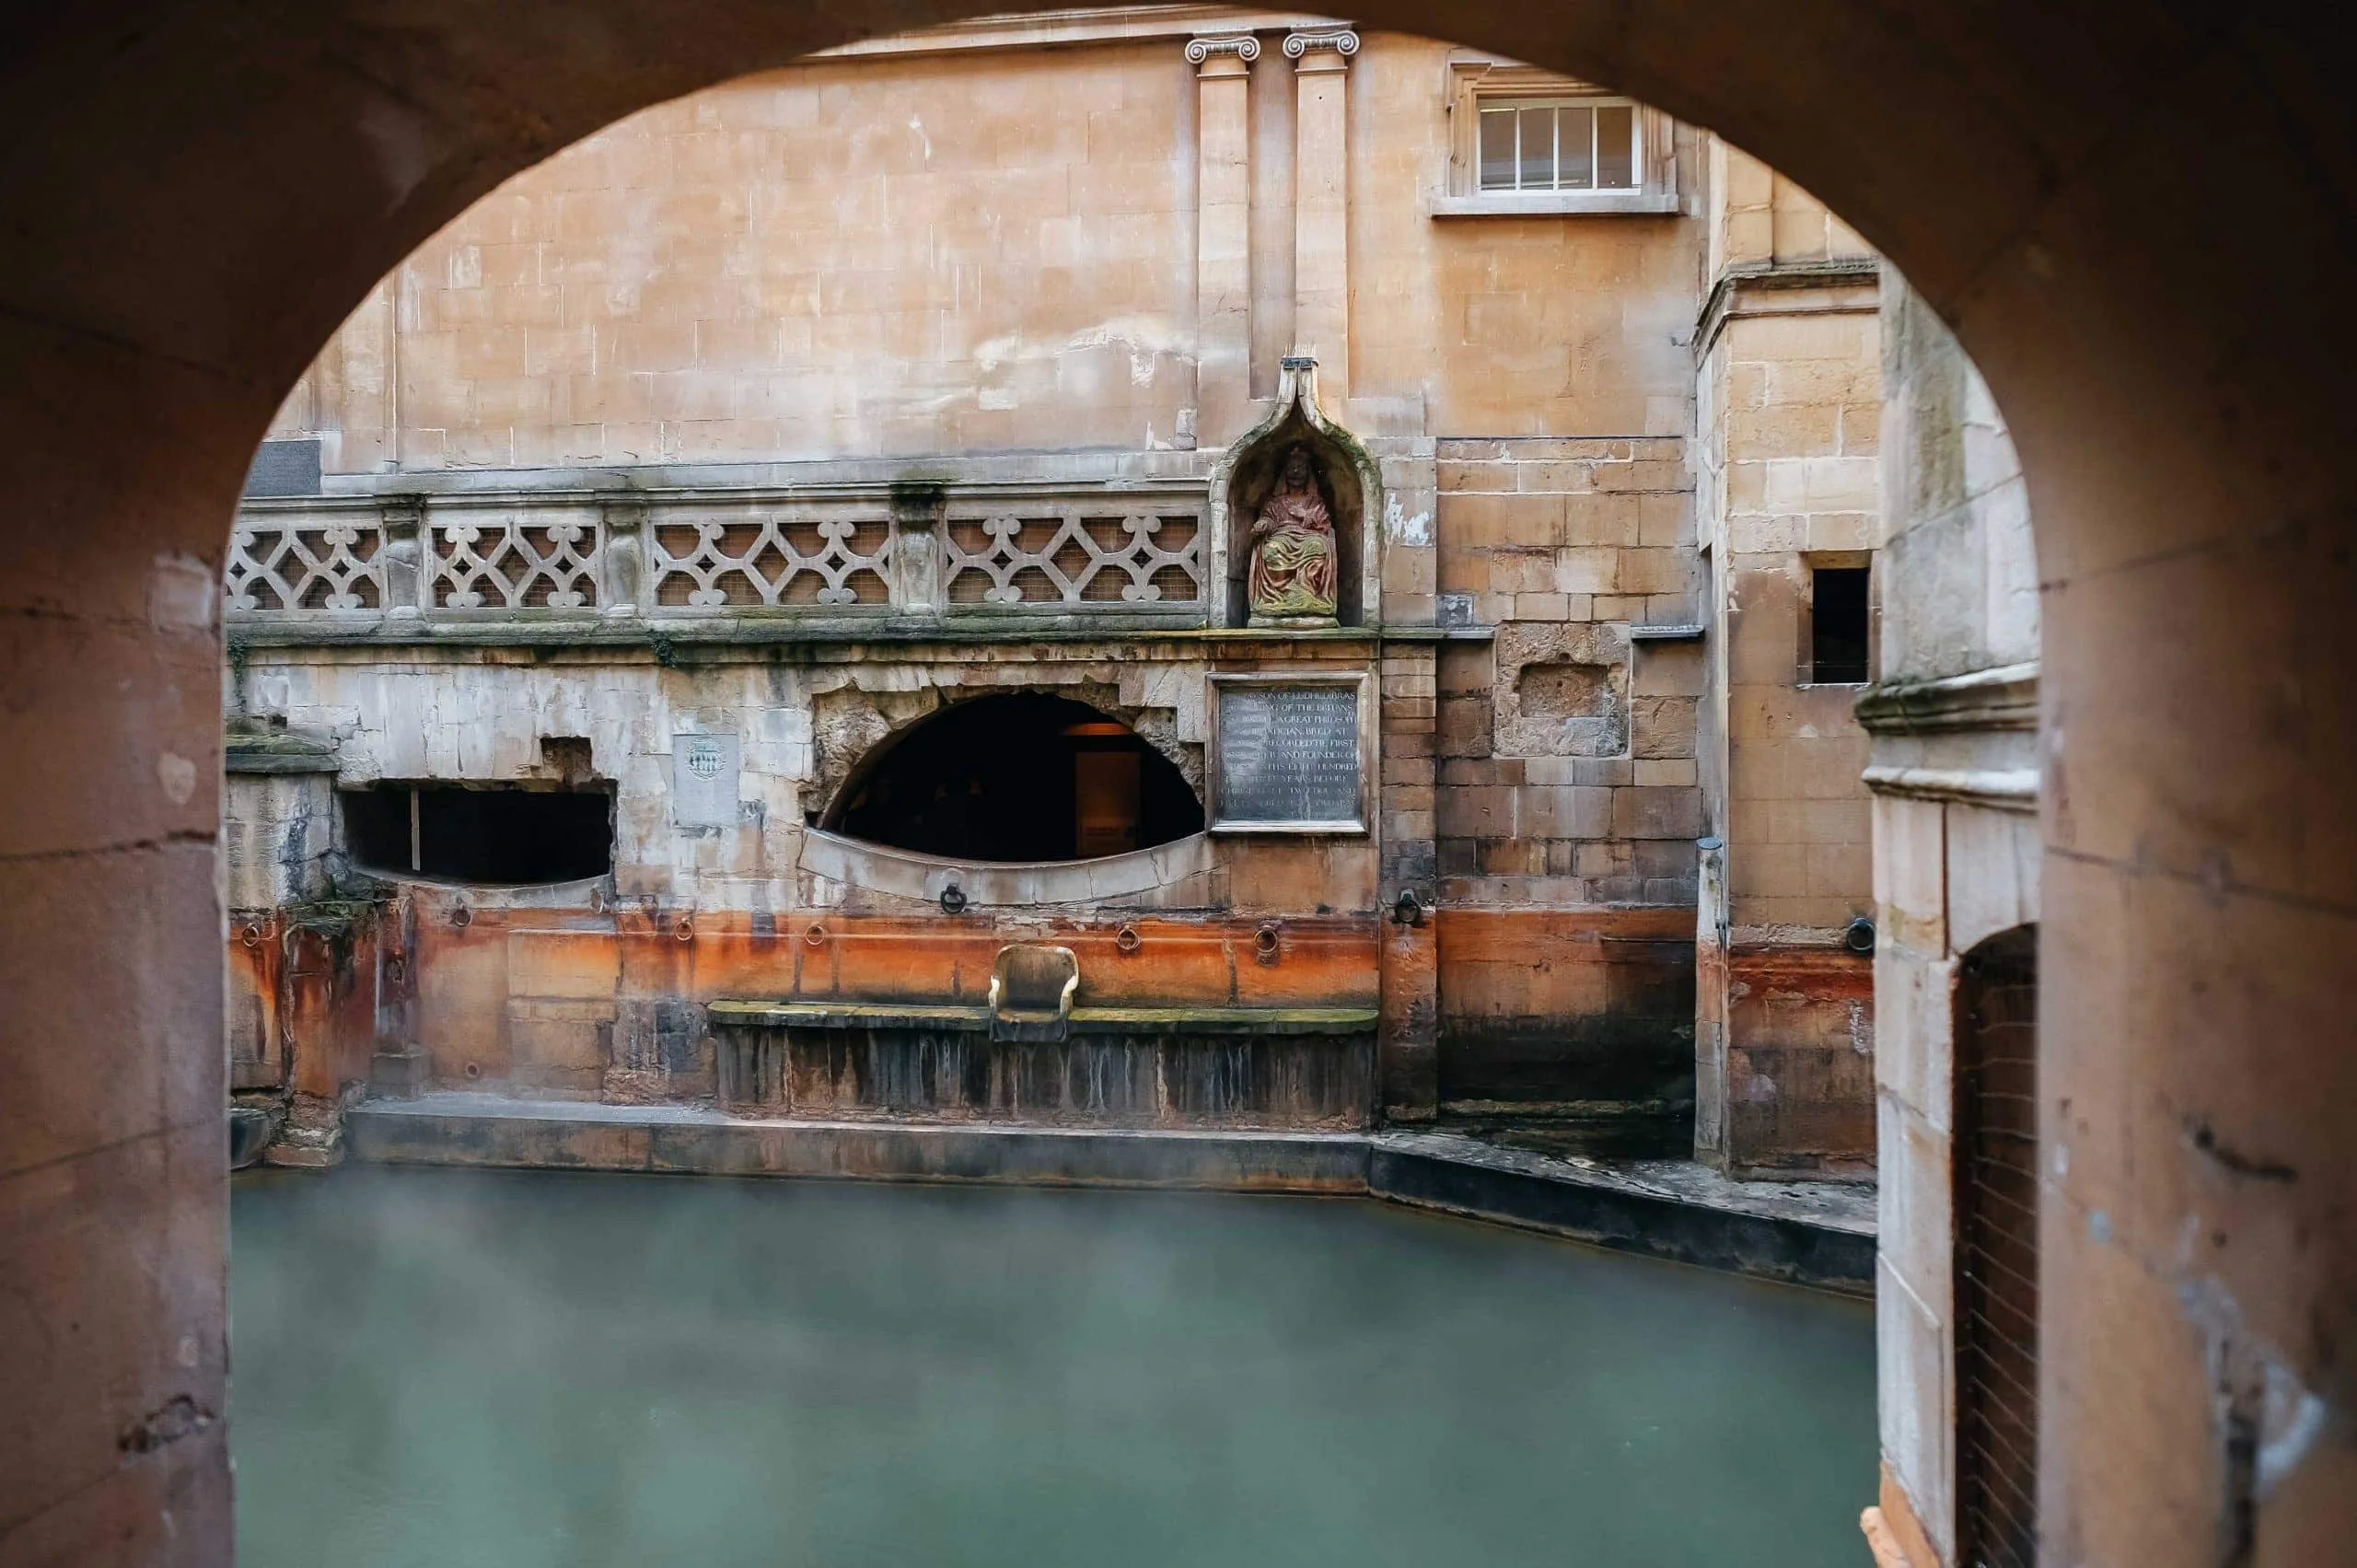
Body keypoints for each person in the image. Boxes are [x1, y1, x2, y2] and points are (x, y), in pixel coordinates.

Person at [1247, 445, 1340, 623]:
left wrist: (1307, 516)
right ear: (1285, 474)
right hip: (1282, 537)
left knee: (1318, 546)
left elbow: (1324, 524)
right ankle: (1279, 598)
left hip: (1309, 537)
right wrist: (1263, 524)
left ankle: (1307, 594)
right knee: (1272, 549)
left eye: (1300, 468)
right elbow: (1269, 518)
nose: (1296, 472)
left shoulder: (1314, 502)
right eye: (1291, 468)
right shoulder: (1275, 502)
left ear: (1307, 474)